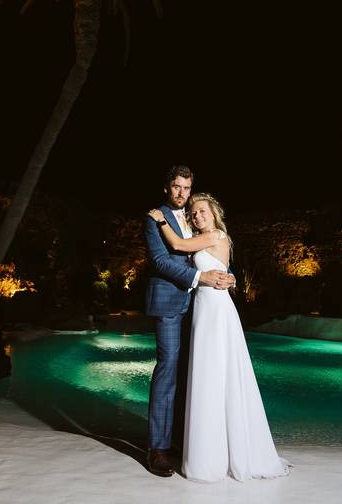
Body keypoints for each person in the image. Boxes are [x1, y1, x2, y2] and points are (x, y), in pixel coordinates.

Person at [148, 192, 290, 482]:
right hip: (201, 306)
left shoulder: (212, 234)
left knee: (212, 374)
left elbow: (177, 245)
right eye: (194, 212)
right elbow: (212, 267)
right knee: (207, 374)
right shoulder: (210, 235)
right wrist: (230, 277)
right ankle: (203, 447)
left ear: (214, 214)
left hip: (212, 308)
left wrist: (161, 220)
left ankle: (210, 455)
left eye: (202, 211)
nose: (197, 215)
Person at [144, 166, 234, 478]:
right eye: (176, 187)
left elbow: (211, 252)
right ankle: (157, 447)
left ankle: (185, 440)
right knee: (168, 368)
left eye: (186, 187)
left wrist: (227, 276)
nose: (182, 193)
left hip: (199, 306)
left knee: (193, 371)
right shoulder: (154, 217)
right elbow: (160, 261)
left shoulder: (197, 221)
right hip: (168, 303)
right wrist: (201, 276)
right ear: (166, 187)